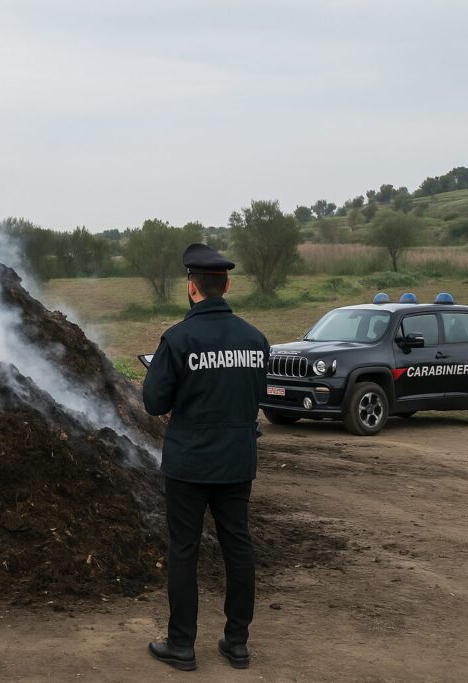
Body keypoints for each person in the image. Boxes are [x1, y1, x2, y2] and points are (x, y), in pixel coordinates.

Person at [142, 243, 269, 671]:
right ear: (226, 285)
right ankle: (237, 643)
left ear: (191, 287)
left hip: (189, 465)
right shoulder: (255, 339)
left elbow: (154, 403)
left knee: (184, 550)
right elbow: (256, 395)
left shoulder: (178, 339)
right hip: (236, 462)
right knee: (238, 547)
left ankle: (181, 646)